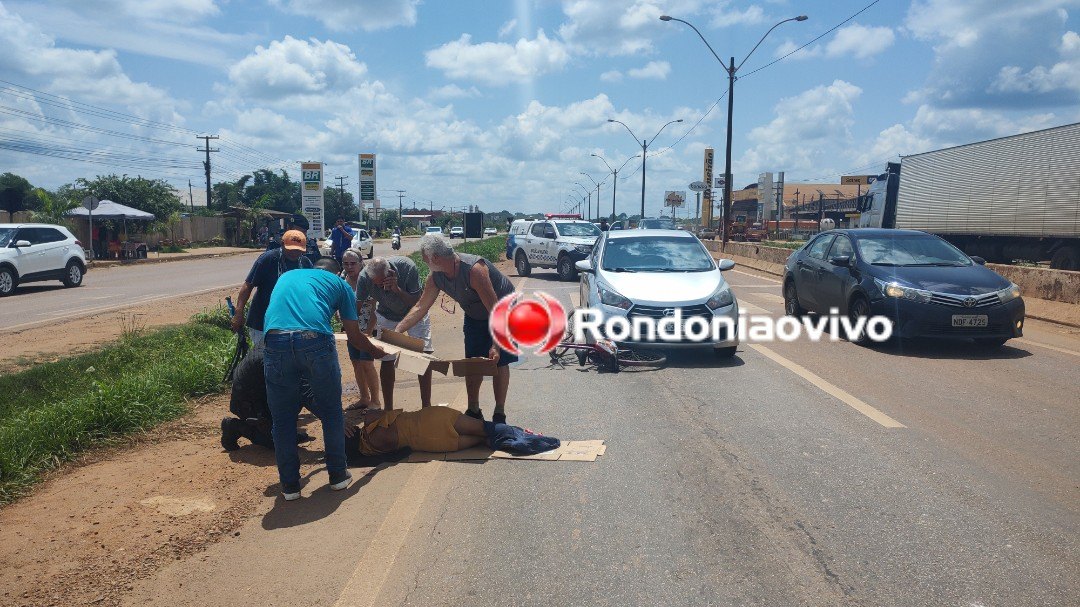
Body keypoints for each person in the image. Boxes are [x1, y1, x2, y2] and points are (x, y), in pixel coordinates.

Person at [262, 268, 388, 501]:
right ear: (335, 272)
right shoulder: (341, 286)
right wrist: (375, 351)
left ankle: (290, 487)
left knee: (282, 420)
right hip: (314, 340)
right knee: (331, 412)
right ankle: (338, 476)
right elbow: (354, 336)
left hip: (275, 340)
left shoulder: (286, 277)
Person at [396, 235, 517, 424]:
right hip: (475, 315)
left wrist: (496, 344)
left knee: (499, 361)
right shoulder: (436, 276)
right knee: (473, 362)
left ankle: (499, 413)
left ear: (435, 257)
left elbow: (495, 310)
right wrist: (398, 330)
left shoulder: (474, 270)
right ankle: (474, 409)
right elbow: (421, 306)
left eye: (424, 257)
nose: (423, 260)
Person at [355, 256, 433, 410]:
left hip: (414, 313)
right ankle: (388, 408)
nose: (378, 286)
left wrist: (396, 289)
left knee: (421, 357)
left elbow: (417, 303)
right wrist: (361, 331)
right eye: (375, 283)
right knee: (386, 357)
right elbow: (360, 306)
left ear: (389, 272)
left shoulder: (407, 267)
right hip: (386, 314)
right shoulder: (364, 277)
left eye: (381, 282)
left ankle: (426, 407)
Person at [346, 407, 560, 457]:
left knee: (483, 439)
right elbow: (380, 411)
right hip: (432, 417)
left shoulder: (372, 451)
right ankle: (522, 434)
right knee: (487, 427)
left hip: (433, 443)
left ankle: (517, 440)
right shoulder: (370, 421)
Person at [231, 229, 313, 352]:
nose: (294, 253)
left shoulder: (305, 264)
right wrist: (239, 313)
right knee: (264, 359)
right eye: (290, 249)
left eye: (298, 250)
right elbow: (248, 286)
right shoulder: (268, 259)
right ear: (282, 244)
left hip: (291, 322)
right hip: (262, 321)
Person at [220, 349, 314, 451]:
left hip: (259, 397)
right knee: (278, 444)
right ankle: (235, 427)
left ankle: (285, 433)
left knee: (294, 394)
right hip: (247, 404)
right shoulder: (275, 359)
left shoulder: (274, 343)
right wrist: (330, 418)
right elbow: (306, 394)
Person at [340, 250, 382, 410]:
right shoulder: (343, 279)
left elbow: (374, 309)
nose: (349, 267)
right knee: (356, 363)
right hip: (351, 328)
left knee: (367, 363)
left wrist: (369, 332)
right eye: (346, 263)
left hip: (368, 328)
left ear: (360, 263)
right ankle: (364, 398)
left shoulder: (368, 279)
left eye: (353, 263)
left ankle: (376, 401)